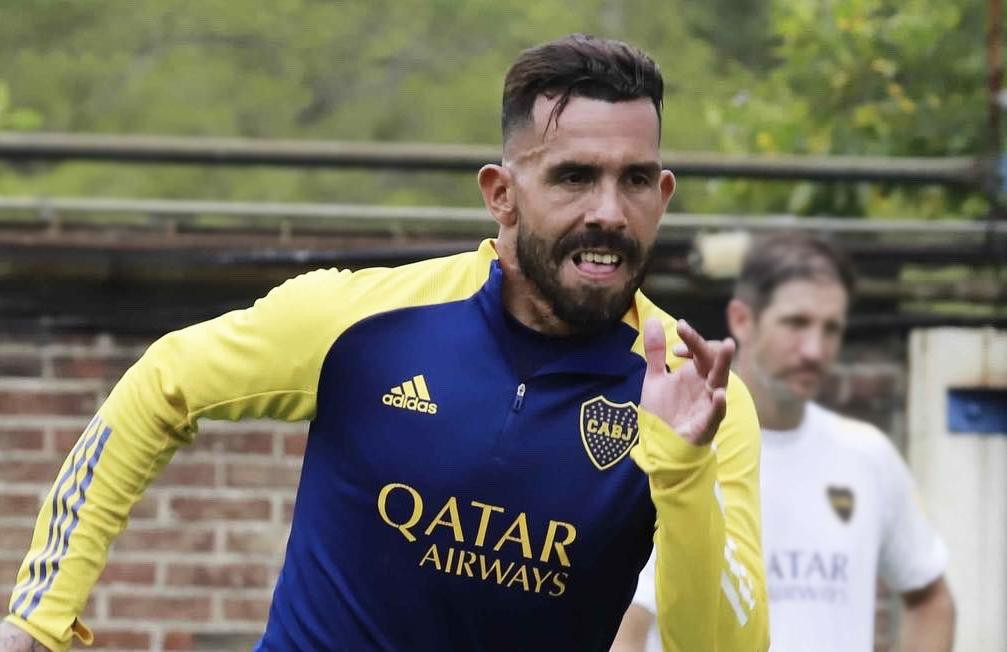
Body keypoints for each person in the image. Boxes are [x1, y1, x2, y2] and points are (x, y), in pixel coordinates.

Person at [1, 35, 768, 652]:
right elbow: (162, 384)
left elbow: (726, 646)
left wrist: (681, 470)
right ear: (501, 194)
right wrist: (40, 617)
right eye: (573, 177)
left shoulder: (695, 400)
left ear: (662, 198)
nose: (609, 210)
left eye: (634, 180)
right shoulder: (362, 324)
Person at [611, 233, 955, 652]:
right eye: (797, 323)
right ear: (742, 320)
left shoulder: (868, 455)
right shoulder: (680, 450)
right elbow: (627, 625)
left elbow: (931, 598)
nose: (814, 349)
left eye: (831, 329)